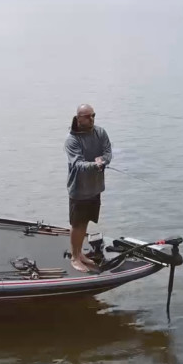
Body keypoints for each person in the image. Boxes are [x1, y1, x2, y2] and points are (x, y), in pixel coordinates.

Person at [64, 104, 112, 273]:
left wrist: (104, 161)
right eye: (88, 116)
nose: (92, 119)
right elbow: (77, 164)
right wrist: (95, 164)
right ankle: (74, 257)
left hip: (95, 187)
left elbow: (108, 152)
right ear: (79, 118)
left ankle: (81, 254)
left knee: (86, 221)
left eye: (93, 115)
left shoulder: (100, 132)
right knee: (77, 224)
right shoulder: (72, 140)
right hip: (78, 189)